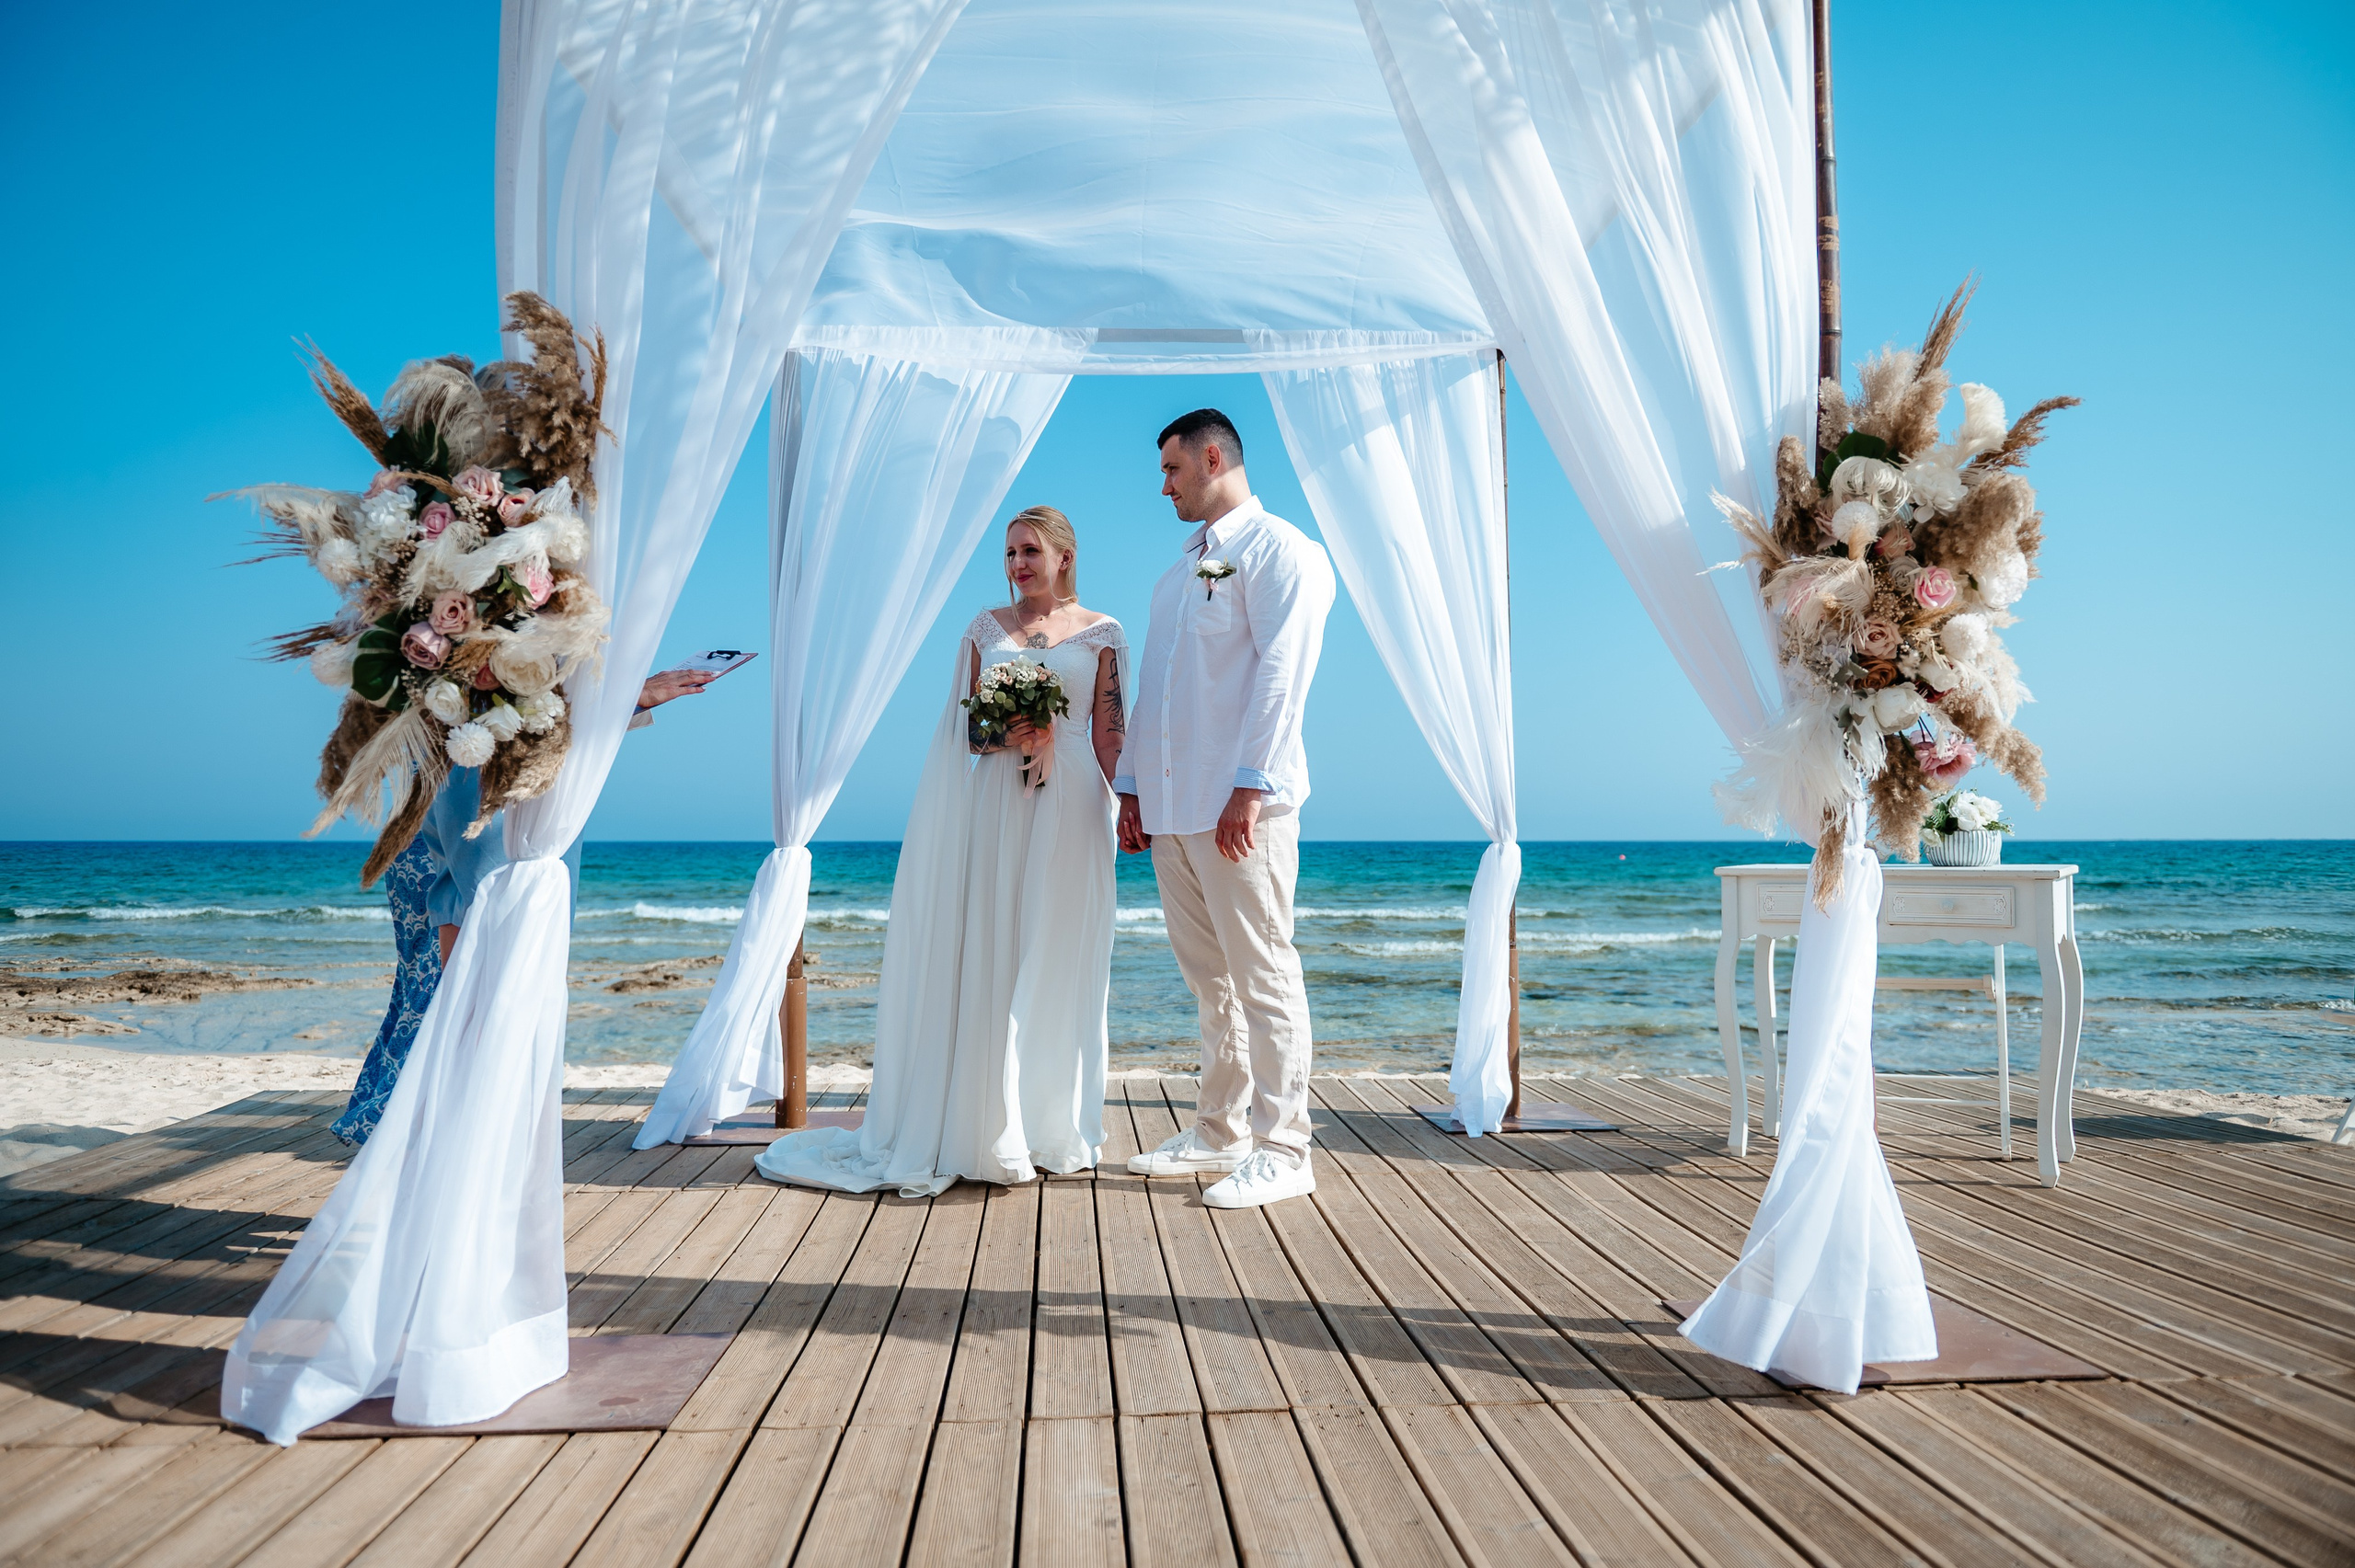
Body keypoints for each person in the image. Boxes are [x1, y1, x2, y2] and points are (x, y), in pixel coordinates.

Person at [756, 506, 1127, 1196]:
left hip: (1075, 806)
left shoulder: (1104, 633)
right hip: (998, 804)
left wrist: (1132, 804)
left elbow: (1110, 736)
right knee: (995, 948)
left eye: (1030, 551)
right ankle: (984, 1124)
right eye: (1010, 553)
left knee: (1061, 954)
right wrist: (1016, 731)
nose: (1017, 564)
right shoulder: (985, 630)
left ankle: (1049, 1125)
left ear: (1064, 556)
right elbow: (968, 733)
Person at [329, 667, 717, 1145]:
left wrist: (623, 700)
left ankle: (421, 1123)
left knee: (449, 976)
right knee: (451, 973)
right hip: (464, 793)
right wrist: (623, 699)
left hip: (453, 789)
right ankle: (426, 1126)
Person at [1114, 409, 1335, 1210]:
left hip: (1242, 807)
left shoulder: (1282, 551)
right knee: (1211, 982)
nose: (1164, 487)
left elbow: (1283, 673)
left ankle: (1286, 1146)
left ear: (1213, 459)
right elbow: (1157, 689)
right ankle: (1220, 1129)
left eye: (1172, 470)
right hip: (1174, 809)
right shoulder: (1175, 577)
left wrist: (1251, 783)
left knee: (1264, 973)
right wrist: (1132, 786)